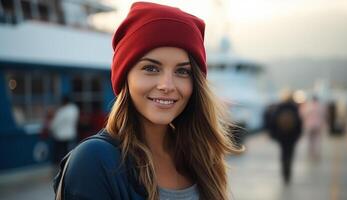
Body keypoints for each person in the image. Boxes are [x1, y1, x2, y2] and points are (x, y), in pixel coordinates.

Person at [54, 2, 243, 200]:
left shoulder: (201, 156)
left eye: (182, 71)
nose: (167, 85)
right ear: (125, 75)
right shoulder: (94, 160)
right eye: (151, 68)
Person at [267, 93, 302, 185]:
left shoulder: (280, 107)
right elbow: (299, 122)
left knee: (283, 153)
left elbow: (273, 121)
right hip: (292, 135)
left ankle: (284, 173)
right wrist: (298, 134)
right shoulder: (294, 107)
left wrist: (274, 134)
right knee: (290, 153)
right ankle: (288, 172)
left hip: (281, 135)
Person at [50, 96, 79, 167]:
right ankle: (69, 166)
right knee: (69, 153)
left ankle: (60, 168)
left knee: (59, 154)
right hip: (71, 134)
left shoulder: (61, 111)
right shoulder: (74, 109)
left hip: (60, 136)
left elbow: (54, 124)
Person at [300, 96, 326, 160]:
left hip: (309, 125)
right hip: (318, 125)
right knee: (317, 140)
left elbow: (302, 115)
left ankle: (310, 154)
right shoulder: (321, 107)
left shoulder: (307, 106)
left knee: (310, 141)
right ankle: (317, 154)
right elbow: (324, 116)